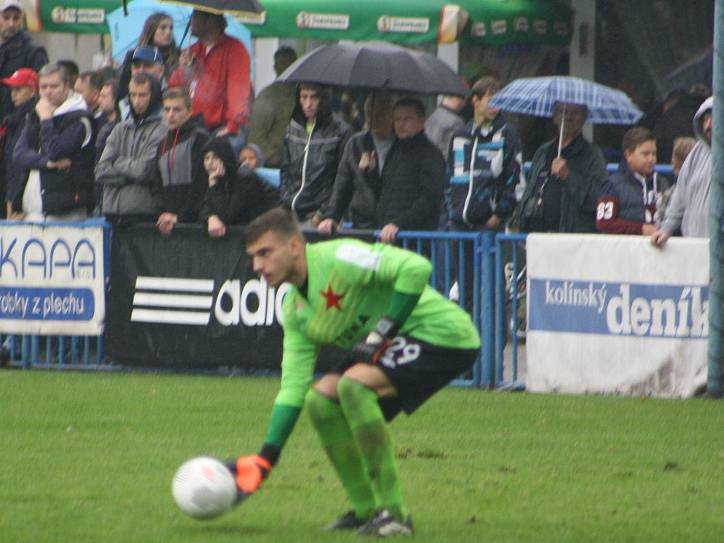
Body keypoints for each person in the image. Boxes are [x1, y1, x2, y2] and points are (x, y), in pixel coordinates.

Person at [230, 207, 480, 536]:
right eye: (253, 257)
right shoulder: (294, 309)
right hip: (391, 345)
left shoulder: (340, 256)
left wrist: (382, 333)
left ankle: (394, 514)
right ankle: (366, 510)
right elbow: (293, 386)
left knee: (353, 386)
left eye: (265, 253)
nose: (257, 266)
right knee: (319, 401)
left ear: (294, 246)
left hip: (444, 335)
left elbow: (416, 267)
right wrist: (266, 457)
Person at [13, 63, 96, 221]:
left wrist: (46, 119)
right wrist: (46, 163)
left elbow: (55, 150)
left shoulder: (80, 119)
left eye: (54, 86)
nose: (48, 92)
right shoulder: (36, 115)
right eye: (43, 87)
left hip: (67, 212)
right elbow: (19, 153)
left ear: (66, 87)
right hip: (34, 212)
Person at [513, 102, 607, 233]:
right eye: (563, 112)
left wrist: (568, 175)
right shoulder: (543, 151)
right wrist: (519, 221)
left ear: (584, 118)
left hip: (571, 238)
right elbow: (530, 189)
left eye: (575, 113)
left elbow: (599, 198)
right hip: (538, 236)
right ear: (554, 117)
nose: (568, 117)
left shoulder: (592, 155)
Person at [447, 77, 523, 233]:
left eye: (499, 102)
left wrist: (497, 217)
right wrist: (450, 211)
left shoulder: (507, 135)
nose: (495, 108)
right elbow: (449, 178)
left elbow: (516, 181)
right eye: (491, 101)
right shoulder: (459, 136)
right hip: (457, 225)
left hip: (489, 226)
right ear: (476, 101)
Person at [316, 91, 395, 232]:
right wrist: (331, 216)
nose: (374, 119)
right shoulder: (355, 144)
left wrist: (371, 174)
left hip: (392, 226)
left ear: (391, 115)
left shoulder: (402, 144)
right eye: (369, 113)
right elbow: (342, 184)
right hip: (362, 223)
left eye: (380, 113)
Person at [167, 10, 251, 139]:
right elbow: (174, 90)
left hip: (220, 129)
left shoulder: (235, 49)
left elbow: (238, 90)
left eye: (195, 16)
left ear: (210, 20)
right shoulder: (193, 50)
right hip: (191, 128)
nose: (191, 21)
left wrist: (233, 124)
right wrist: (183, 69)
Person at [95, 72, 166, 224]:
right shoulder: (120, 128)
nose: (137, 101)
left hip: (142, 213)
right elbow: (100, 171)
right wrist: (130, 175)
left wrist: (118, 162)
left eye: (142, 95)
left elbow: (143, 171)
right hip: (112, 213)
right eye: (133, 95)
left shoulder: (161, 128)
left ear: (153, 96)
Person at [376, 97, 446, 243]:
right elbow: (383, 191)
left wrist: (399, 223)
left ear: (421, 121)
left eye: (407, 119)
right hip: (388, 236)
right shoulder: (393, 151)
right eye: (397, 119)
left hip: (416, 239)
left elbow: (430, 198)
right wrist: (369, 173)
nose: (401, 124)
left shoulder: (431, 154)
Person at [280, 83, 350, 226]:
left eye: (314, 97)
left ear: (323, 99)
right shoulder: (292, 128)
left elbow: (342, 178)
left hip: (321, 217)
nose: (308, 103)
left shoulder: (340, 131)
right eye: (304, 97)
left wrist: (323, 213)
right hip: (292, 213)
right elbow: (285, 170)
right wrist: (286, 201)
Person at [651, 96, 712, 246]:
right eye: (705, 119)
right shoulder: (696, 153)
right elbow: (680, 195)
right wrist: (666, 229)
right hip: (693, 246)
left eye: (715, 118)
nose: (708, 125)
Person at [153, 87, 209, 236]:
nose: (171, 114)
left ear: (189, 111)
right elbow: (157, 183)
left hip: (193, 225)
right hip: (167, 222)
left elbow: (200, 183)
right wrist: (163, 214)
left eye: (176, 109)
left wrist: (182, 217)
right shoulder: (162, 144)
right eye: (167, 109)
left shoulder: (199, 138)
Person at [198, 137, 279, 237]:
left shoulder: (244, 177)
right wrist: (211, 217)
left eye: (215, 157)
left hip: (271, 230)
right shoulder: (215, 178)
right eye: (206, 158)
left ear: (224, 157)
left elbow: (227, 216)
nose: (209, 163)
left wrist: (213, 187)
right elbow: (203, 207)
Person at [596, 127, 669, 236]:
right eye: (645, 154)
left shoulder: (662, 183)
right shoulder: (612, 184)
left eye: (654, 154)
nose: (651, 159)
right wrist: (641, 229)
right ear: (628, 155)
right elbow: (604, 223)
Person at [247, 46, 297, 168]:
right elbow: (255, 139)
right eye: (283, 63)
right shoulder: (268, 97)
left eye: (291, 63)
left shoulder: (302, 94)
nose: (287, 67)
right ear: (275, 67)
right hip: (276, 167)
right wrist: (278, 159)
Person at [0, 0, 47, 121]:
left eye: (16, 18)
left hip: (17, 121)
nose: (11, 23)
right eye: (6, 17)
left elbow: (42, 90)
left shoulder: (33, 51)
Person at [117, 12, 179, 103]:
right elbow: (123, 88)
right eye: (163, 28)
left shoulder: (177, 56)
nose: (168, 32)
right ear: (151, 30)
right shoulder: (133, 55)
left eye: (171, 28)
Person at [0, 67, 36, 219]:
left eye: (18, 89)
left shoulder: (32, 118)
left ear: (32, 91)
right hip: (9, 188)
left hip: (22, 195)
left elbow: (19, 162)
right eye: (12, 89)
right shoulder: (13, 119)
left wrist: (14, 199)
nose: (13, 94)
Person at [118, 46, 166, 120]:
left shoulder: (170, 100)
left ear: (161, 71)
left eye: (147, 66)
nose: (141, 70)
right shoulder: (123, 104)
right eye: (136, 66)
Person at [424, 93, 466, 160]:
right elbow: (454, 151)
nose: (464, 103)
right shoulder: (455, 122)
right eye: (463, 99)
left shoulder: (433, 116)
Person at [95, 78, 120, 161]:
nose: (99, 100)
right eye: (100, 96)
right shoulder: (97, 121)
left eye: (104, 97)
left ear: (115, 99)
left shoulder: (123, 125)